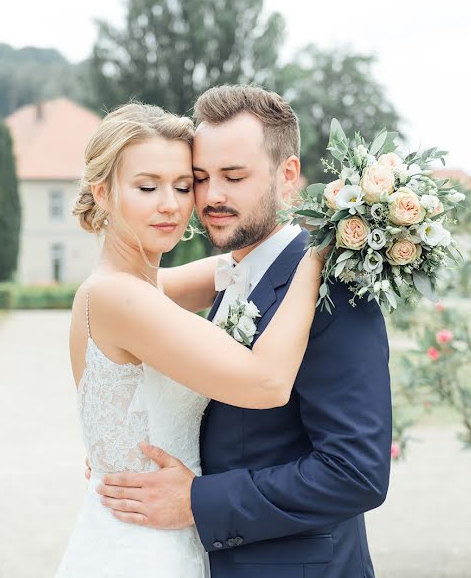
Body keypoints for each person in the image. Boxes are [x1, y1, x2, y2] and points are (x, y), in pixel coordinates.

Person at [96, 85, 393, 578]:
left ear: (288, 177)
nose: (212, 196)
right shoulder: (228, 275)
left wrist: (199, 502)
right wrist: (122, 449)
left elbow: (355, 472)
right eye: (201, 178)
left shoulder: (329, 287)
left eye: (234, 177)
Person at [53, 101, 324, 577]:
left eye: (184, 185)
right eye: (146, 186)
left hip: (164, 531)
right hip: (143, 549)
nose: (171, 205)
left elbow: (239, 267)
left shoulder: (145, 287)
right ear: (103, 191)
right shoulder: (119, 297)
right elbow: (266, 383)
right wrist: (319, 254)